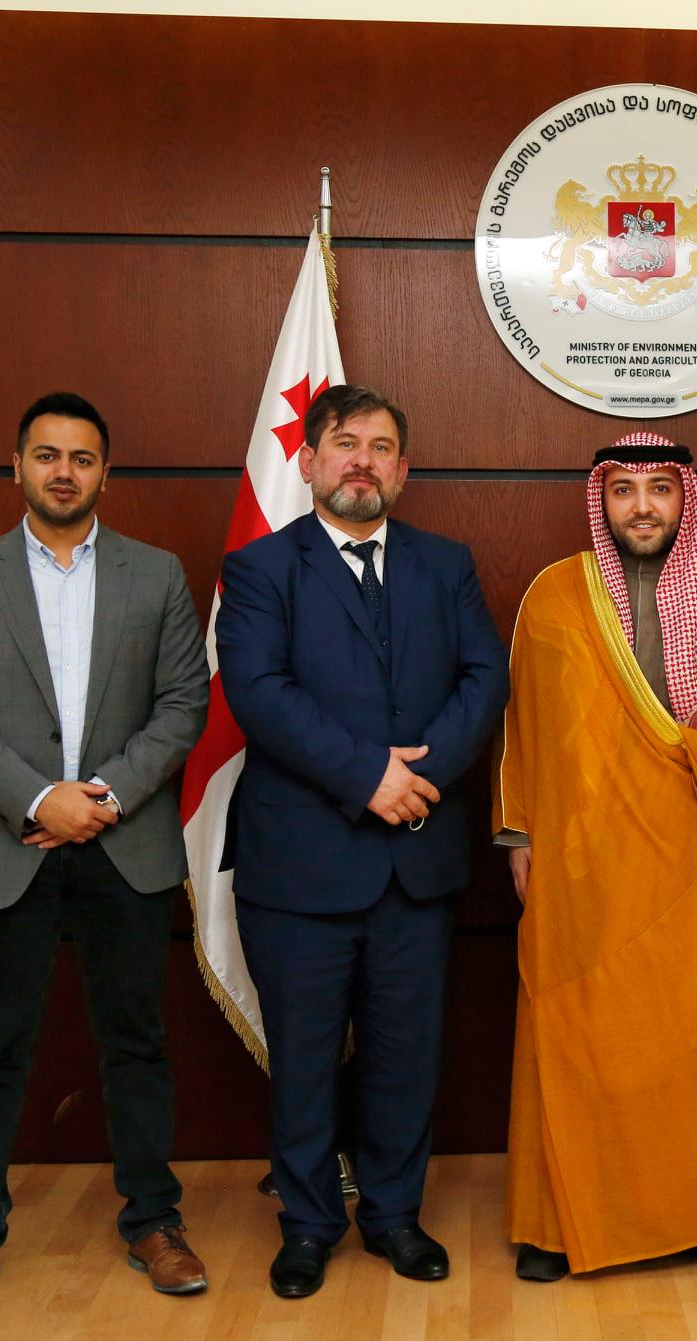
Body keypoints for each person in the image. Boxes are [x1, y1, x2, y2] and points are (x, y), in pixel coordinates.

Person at [0, 393, 210, 1315]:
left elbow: (184, 704)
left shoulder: (157, 575)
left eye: (82, 457)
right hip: (12, 845)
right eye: (47, 455)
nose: (64, 472)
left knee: (136, 1042)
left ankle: (154, 1222)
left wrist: (102, 798)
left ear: (105, 473)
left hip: (126, 846)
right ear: (17, 467)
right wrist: (44, 799)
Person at [492, 430, 697, 1281]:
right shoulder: (553, 595)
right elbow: (523, 726)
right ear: (601, 499)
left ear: (685, 500)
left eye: (660, 489)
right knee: (580, 1039)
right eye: (625, 489)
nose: (643, 506)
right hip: (583, 867)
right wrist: (520, 835)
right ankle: (560, 1222)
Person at [216, 384, 507, 1299]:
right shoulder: (260, 568)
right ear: (308, 461)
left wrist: (418, 778)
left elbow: (484, 676)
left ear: (403, 469)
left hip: (417, 862)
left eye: (381, 447)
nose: (363, 461)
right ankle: (308, 1225)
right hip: (298, 868)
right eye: (346, 443)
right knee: (304, 1060)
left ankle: (393, 1216)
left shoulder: (446, 564)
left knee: (404, 1057)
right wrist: (367, 776)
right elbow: (259, 692)